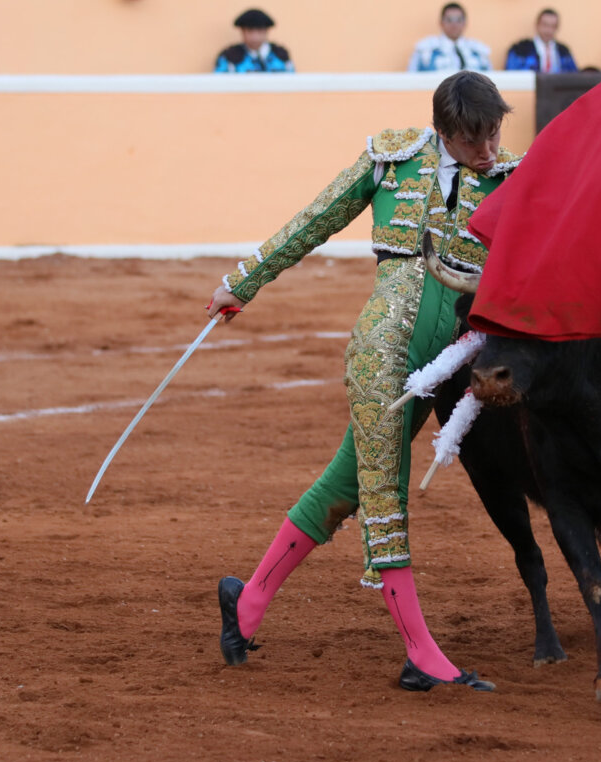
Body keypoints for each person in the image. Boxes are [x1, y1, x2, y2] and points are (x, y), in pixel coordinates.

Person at [209, 71, 522, 692]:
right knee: (385, 493)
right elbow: (314, 220)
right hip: (382, 356)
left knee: (345, 484)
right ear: (443, 132)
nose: (488, 150)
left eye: (493, 134)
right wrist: (242, 282)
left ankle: (247, 603)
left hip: (441, 370)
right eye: (473, 140)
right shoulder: (391, 159)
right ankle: (420, 654)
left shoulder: (512, 179)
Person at [408, 3, 491, 72]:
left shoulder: (478, 51)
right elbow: (412, 78)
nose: (454, 24)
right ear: (441, 23)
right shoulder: (425, 49)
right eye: (449, 20)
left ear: (465, 23)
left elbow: (490, 80)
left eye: (458, 20)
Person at [214, 8, 294, 73]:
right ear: (242, 32)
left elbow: (292, 81)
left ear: (266, 31)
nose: (255, 36)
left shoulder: (280, 56)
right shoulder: (230, 57)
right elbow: (219, 83)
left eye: (259, 31)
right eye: (250, 31)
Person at [504, 8, 578, 73]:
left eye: (553, 26)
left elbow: (574, 75)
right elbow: (512, 74)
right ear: (537, 25)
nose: (549, 30)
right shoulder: (520, 50)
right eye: (545, 25)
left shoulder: (564, 52)